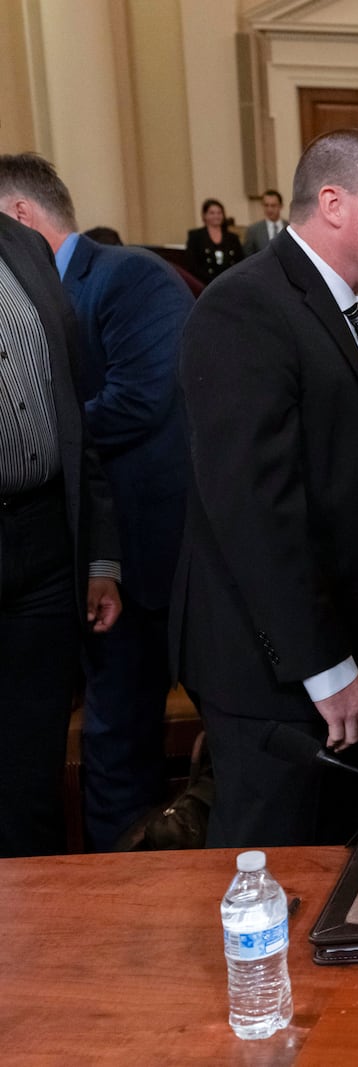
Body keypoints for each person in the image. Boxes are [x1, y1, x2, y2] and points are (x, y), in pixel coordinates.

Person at [173, 128, 358, 847]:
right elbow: (256, 510)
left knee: (330, 873)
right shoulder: (246, 307)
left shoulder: (343, 310)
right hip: (279, 675)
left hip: (337, 660)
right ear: (333, 203)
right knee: (275, 885)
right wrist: (326, 665)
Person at [0, 153, 190, 850]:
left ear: (20, 216)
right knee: (109, 739)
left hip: (152, 550)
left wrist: (56, 429)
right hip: (92, 552)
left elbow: (145, 397)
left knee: (128, 733)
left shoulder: (126, 273)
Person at [0, 213, 121, 857]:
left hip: (46, 539)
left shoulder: (21, 245)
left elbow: (76, 410)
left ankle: (35, 935)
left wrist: (99, 557)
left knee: (33, 768)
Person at [183, 198, 243, 285]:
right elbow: (191, 265)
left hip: (230, 283)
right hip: (203, 284)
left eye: (219, 213)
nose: (216, 216)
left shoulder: (233, 238)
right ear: (204, 215)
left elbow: (240, 262)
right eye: (212, 213)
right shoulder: (195, 237)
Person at [242, 189, 286, 256]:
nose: (269, 209)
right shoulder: (253, 230)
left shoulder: (291, 228)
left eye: (273, 205)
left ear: (281, 206)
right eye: (266, 205)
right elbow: (248, 257)